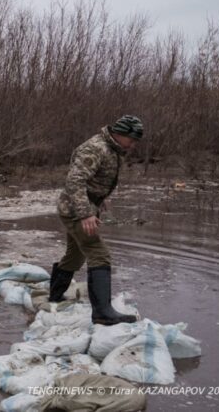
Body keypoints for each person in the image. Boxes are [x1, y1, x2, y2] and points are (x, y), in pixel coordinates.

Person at [50, 115, 144, 326]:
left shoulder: (112, 148)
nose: (134, 144)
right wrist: (85, 213)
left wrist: (99, 199)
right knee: (99, 254)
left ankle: (54, 297)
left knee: (75, 256)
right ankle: (102, 313)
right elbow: (75, 180)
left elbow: (95, 179)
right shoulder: (95, 148)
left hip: (82, 205)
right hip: (75, 209)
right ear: (120, 134)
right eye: (132, 139)